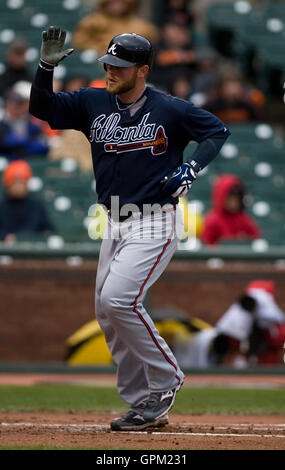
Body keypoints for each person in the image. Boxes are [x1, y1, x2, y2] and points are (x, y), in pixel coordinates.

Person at [29, 26, 230, 431]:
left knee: (120, 300)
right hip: (114, 221)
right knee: (107, 311)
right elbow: (43, 108)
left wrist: (191, 167)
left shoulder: (170, 109)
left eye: (120, 66)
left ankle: (167, 378)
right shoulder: (92, 102)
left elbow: (216, 131)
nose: (110, 71)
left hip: (154, 220)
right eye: (109, 63)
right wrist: (45, 67)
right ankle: (144, 403)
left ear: (143, 70)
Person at [72, 0, 159, 55]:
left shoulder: (142, 26)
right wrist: (98, 50)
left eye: (121, 2)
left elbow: (152, 44)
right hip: (99, 62)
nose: (117, 6)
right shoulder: (93, 21)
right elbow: (79, 43)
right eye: (113, 2)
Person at [0, 160, 54, 243]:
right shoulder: (2, 205)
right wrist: (5, 237)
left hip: (33, 251)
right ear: (8, 184)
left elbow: (48, 230)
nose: (19, 187)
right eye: (15, 183)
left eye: (22, 183)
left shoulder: (37, 205)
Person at [202, 174, 261, 245]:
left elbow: (256, 238)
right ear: (221, 198)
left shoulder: (244, 219)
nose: (234, 203)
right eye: (230, 200)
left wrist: (245, 240)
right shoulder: (212, 220)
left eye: (236, 199)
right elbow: (207, 245)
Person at [0, 81, 49, 160]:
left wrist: (23, 145)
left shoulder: (30, 123)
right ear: (6, 105)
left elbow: (42, 146)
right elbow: (6, 143)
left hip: (29, 161)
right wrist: (25, 142)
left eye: (19, 104)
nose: (16, 108)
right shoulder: (2, 123)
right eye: (13, 104)